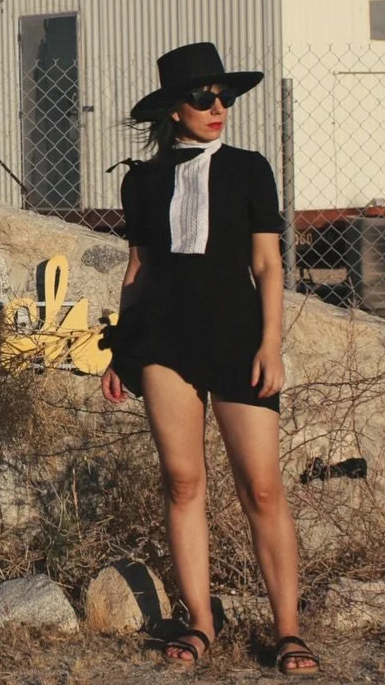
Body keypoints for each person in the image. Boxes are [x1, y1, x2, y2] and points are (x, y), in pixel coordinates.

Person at [100, 41, 320, 676]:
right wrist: (120, 351)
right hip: (162, 342)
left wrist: (271, 344)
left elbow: (267, 264)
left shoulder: (250, 169)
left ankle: (287, 631)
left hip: (236, 339)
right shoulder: (141, 180)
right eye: (204, 97)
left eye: (224, 96)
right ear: (175, 109)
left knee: (263, 486)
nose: (218, 106)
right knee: (184, 483)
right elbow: (137, 270)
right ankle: (201, 623)